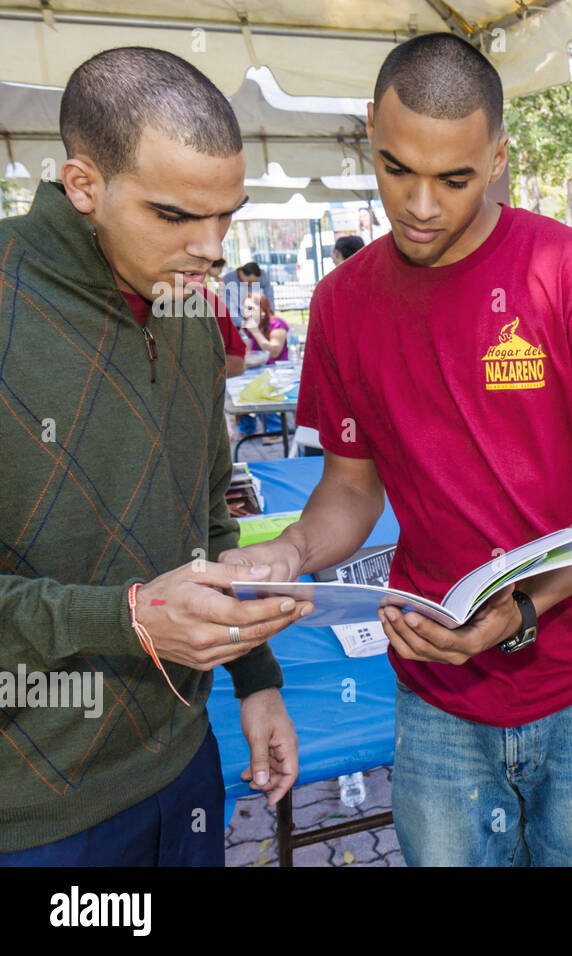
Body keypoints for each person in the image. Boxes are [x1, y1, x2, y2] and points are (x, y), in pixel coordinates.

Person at [221, 32, 572, 866]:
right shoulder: (343, 303)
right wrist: (289, 551)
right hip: (436, 690)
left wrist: (522, 611)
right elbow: (352, 489)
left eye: (455, 178)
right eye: (398, 169)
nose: (421, 204)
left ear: (500, 157)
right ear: (371, 133)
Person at [0, 46, 311, 865]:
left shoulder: (185, 309)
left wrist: (257, 678)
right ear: (83, 186)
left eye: (227, 216)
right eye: (175, 216)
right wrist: (127, 619)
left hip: (184, 763)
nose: (210, 248)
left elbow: (207, 511)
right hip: (34, 812)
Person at [236, 289, 290, 440]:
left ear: (263, 309)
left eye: (251, 308)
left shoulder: (277, 324)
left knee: (258, 391)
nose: (247, 313)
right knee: (239, 388)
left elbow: (274, 351)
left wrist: (255, 331)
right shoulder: (251, 326)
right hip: (256, 370)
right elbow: (247, 351)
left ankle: (276, 430)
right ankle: (247, 429)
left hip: (275, 371)